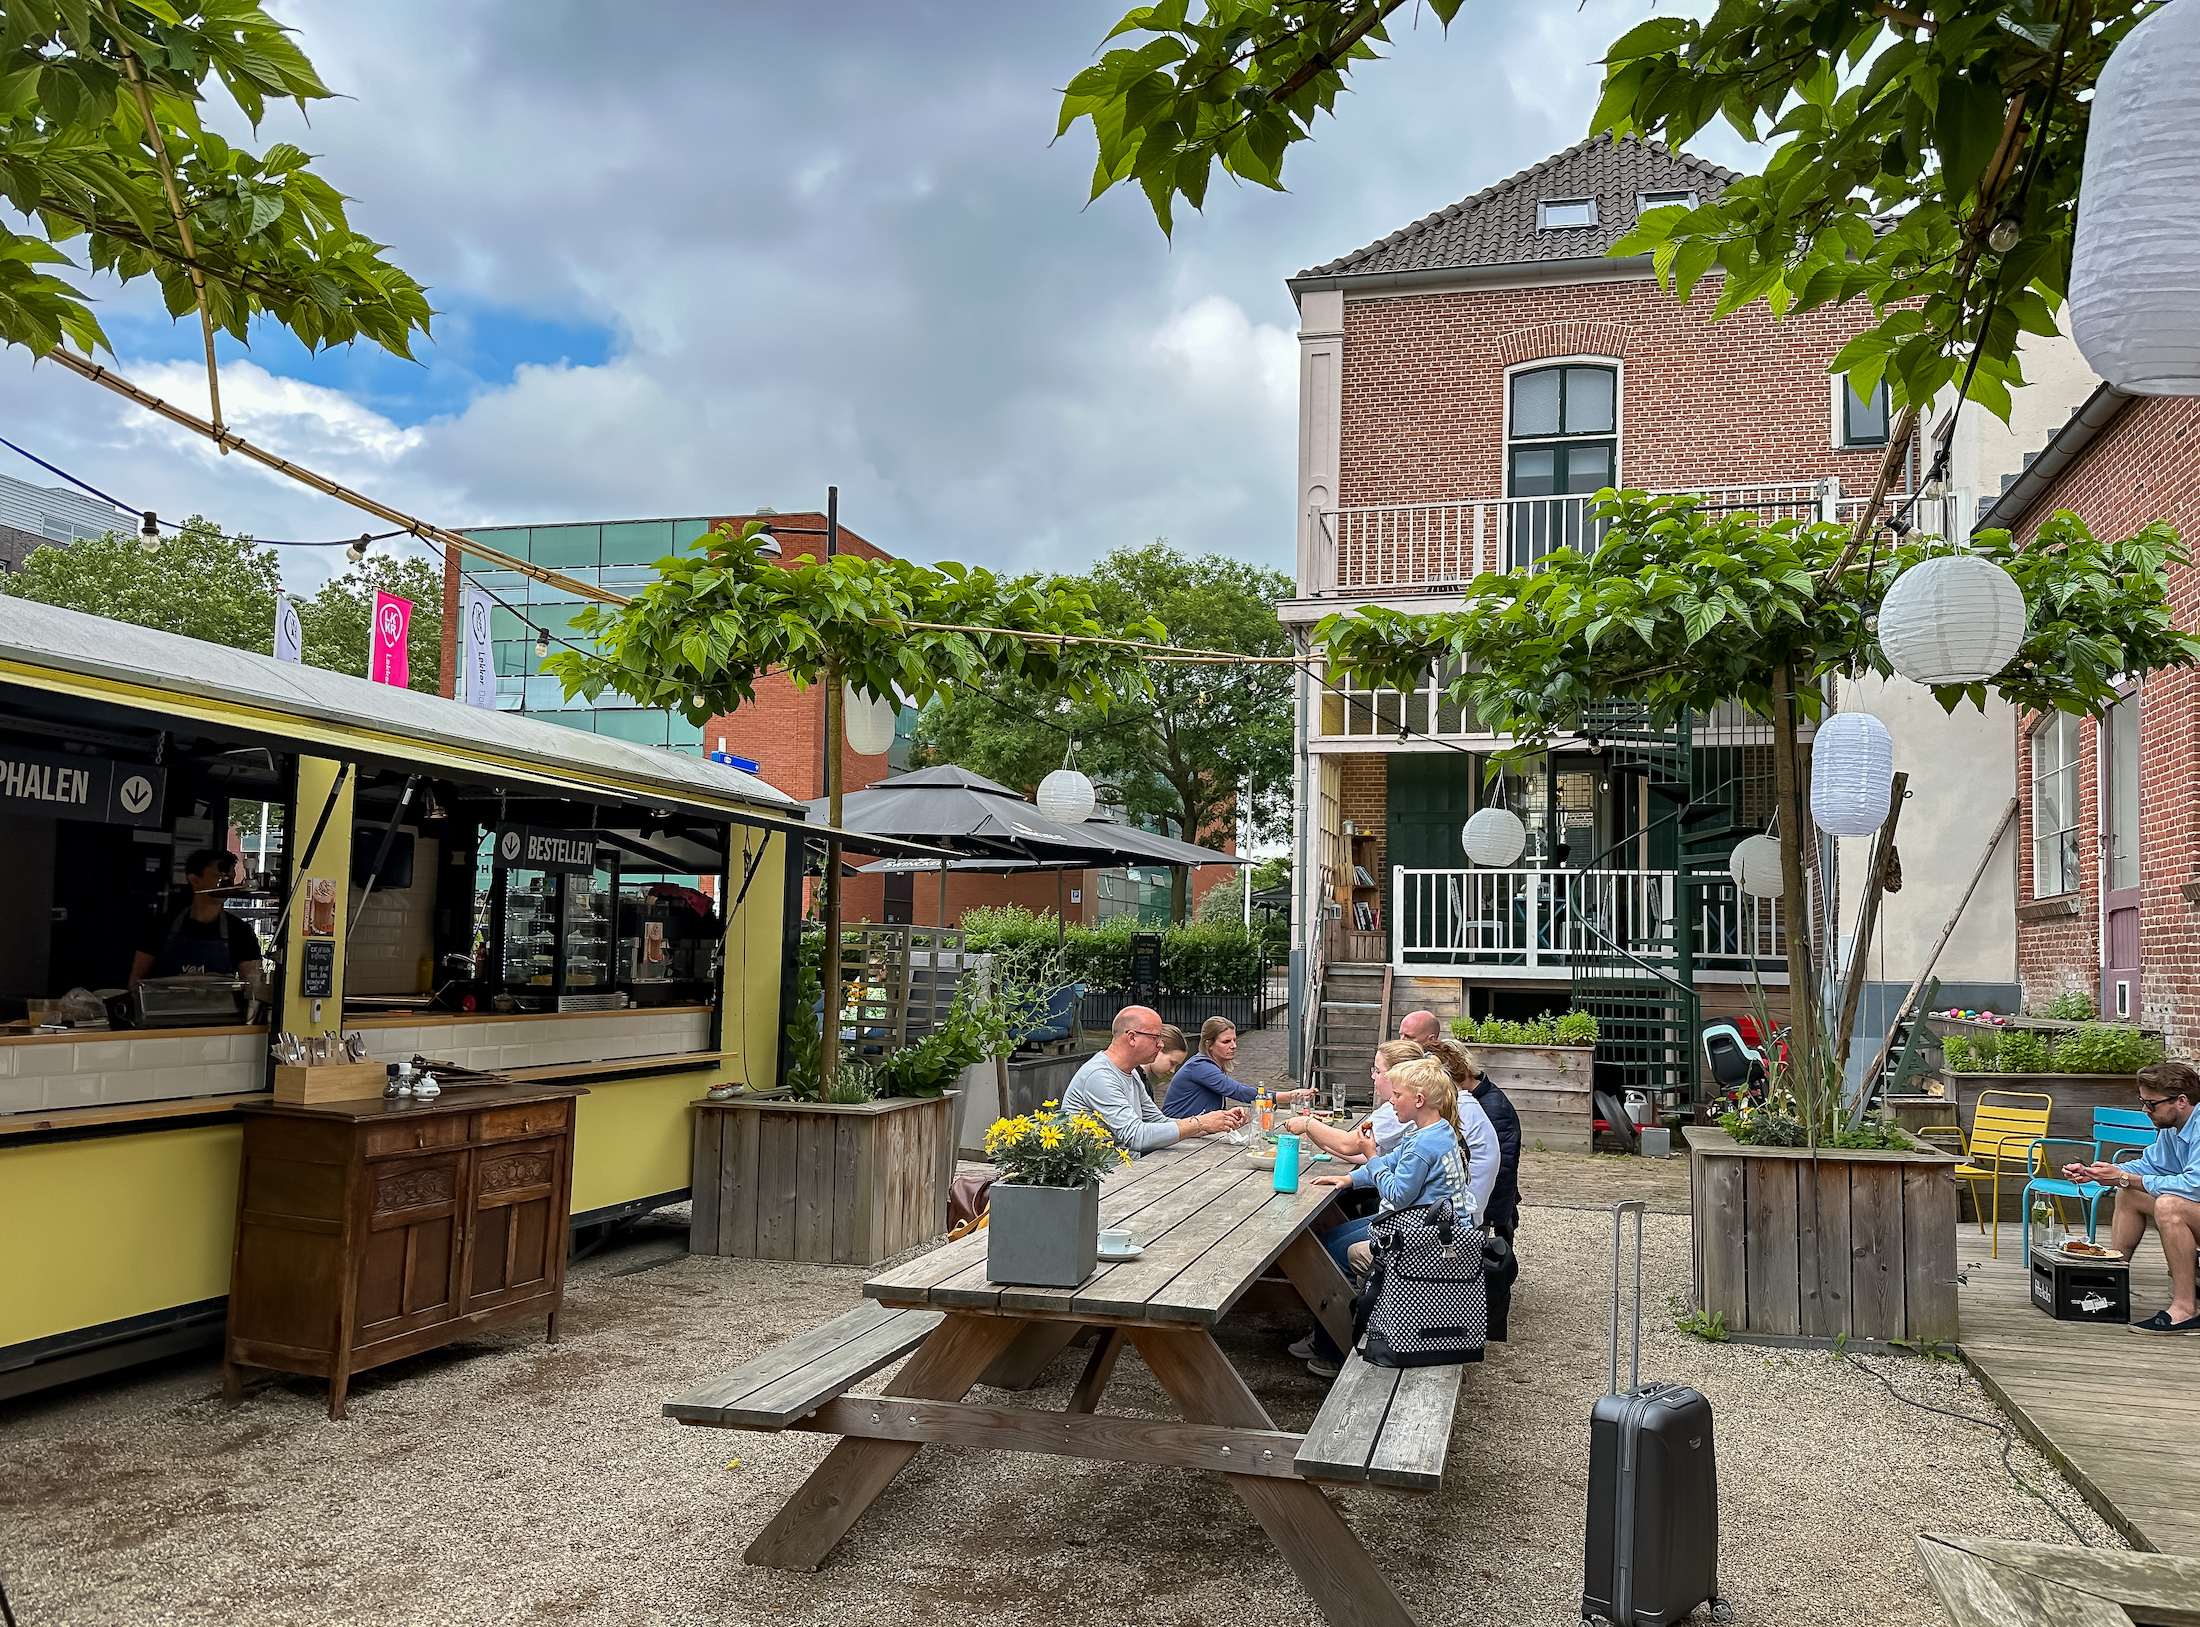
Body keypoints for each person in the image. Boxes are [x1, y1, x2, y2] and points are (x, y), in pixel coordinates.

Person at [1292, 1057, 1495, 1378]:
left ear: (1419, 1100)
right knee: (1330, 1239)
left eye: (1397, 1095)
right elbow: (1392, 1163)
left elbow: (1397, 1193)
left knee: (1336, 1257)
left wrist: (1369, 1155)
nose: (1390, 1099)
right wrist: (1349, 1180)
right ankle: (1334, 1336)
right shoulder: (1434, 1131)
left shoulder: (1423, 1144)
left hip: (1426, 1241)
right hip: (1427, 1225)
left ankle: (1334, 1351)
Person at [2062, 1060, 2200, 1333]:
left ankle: (2185, 1310)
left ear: (2181, 1101)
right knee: (2130, 1194)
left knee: (2169, 1205)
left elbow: (2194, 1186)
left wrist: (2125, 1177)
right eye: (2143, 1102)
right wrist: (2098, 1172)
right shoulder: (2173, 1128)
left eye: (2152, 1103)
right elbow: (2150, 1167)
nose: (2145, 1110)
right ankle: (2111, 1282)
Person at [1061, 1006, 1245, 1157]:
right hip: (1104, 1185)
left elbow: (1159, 1121)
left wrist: (1214, 1123)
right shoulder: (1100, 1076)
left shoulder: (1131, 1073)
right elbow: (1136, 1136)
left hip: (1130, 1172)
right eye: (1155, 1037)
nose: (1161, 1044)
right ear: (1132, 1037)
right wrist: (1199, 1123)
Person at [129, 848, 264, 992]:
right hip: (166, 1010)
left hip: (218, 1011)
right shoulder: (161, 926)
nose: (227, 884)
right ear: (194, 880)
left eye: (230, 878)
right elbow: (137, 980)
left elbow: (253, 987)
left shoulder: (240, 932)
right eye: (221, 877)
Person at [1432, 1040, 1522, 1241]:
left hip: (1483, 1206)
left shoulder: (1483, 1108)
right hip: (1475, 1202)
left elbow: (1499, 1169)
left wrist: (1487, 1218)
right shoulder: (1474, 1099)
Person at [1284, 1040, 1423, 1166]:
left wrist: (1307, 1123)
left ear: (1395, 1075)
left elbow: (1347, 1144)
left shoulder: (1396, 1111)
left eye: (1378, 1071)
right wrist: (1324, 1145)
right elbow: (1366, 1154)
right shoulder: (1412, 1104)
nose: (1373, 1076)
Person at [1162, 1017, 1315, 1119]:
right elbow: (1238, 1091)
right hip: (1176, 1134)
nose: (1234, 1046)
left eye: (1234, 1040)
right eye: (1226, 1041)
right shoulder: (1200, 1066)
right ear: (1209, 1044)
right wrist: (1289, 1096)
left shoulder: (1208, 1065)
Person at [1141, 1023, 1190, 1106]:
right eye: (1172, 1063)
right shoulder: (1135, 1079)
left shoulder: (1145, 1079)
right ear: (1158, 1049)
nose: (1173, 1070)